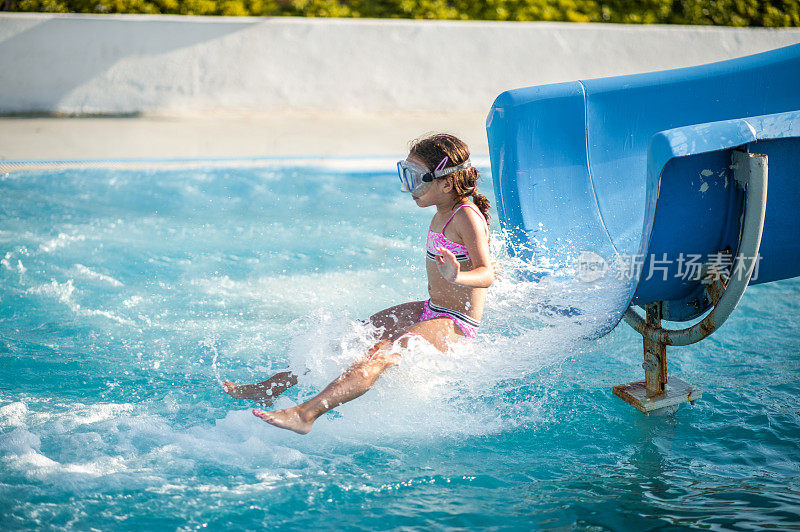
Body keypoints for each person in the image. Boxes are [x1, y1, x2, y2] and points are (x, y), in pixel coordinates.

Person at [222, 133, 495, 434]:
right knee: (351, 339)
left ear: (446, 182)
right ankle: (271, 388)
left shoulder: (466, 216)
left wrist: (457, 276)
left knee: (378, 354)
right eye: (407, 176)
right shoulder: (443, 211)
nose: (410, 189)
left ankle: (306, 415)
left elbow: (486, 273)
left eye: (417, 179)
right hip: (432, 309)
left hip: (455, 323)